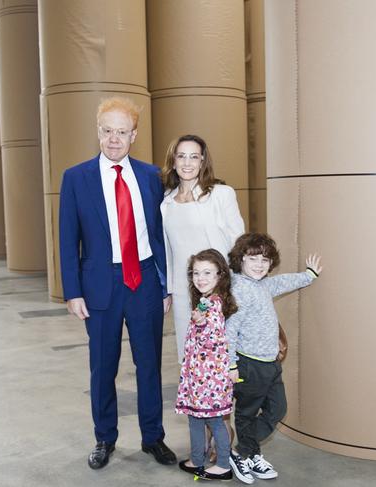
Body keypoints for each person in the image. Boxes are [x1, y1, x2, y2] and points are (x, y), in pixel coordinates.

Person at [59, 97, 176, 470]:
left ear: (134, 135)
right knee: (103, 366)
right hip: (100, 284)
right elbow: (66, 238)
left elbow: (161, 234)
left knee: (149, 364)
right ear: (98, 131)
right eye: (107, 130)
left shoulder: (151, 176)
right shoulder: (76, 178)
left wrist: (167, 284)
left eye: (121, 131)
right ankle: (104, 438)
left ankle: (153, 436)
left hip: (143, 280)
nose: (114, 139)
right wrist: (73, 291)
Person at [225, 233, 323, 484]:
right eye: (253, 258)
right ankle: (246, 453)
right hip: (249, 364)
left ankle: (243, 451)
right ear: (240, 259)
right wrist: (232, 364)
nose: (259, 265)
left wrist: (309, 276)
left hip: (270, 363)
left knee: (278, 409)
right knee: (246, 413)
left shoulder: (263, 284)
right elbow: (229, 330)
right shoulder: (238, 289)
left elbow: (283, 282)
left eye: (265, 260)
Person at [160, 134, 244, 364]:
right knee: (189, 358)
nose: (187, 163)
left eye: (194, 157)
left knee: (220, 357)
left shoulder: (220, 194)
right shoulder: (165, 202)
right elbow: (168, 250)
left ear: (202, 161)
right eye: (181, 156)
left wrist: (238, 285)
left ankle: (222, 401)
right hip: (183, 290)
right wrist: (167, 290)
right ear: (173, 161)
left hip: (218, 291)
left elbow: (239, 242)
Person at [175, 249, 238, 481]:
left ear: (220, 275)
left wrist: (201, 325)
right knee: (195, 418)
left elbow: (215, 338)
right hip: (198, 377)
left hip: (209, 379)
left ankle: (223, 464)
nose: (200, 278)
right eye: (196, 273)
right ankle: (196, 460)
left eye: (207, 273)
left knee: (214, 420)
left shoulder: (213, 305)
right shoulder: (205, 301)